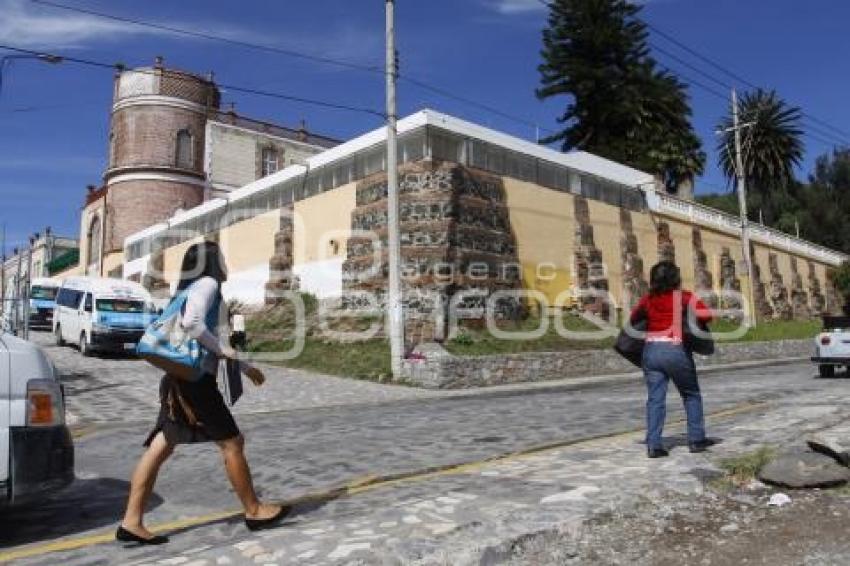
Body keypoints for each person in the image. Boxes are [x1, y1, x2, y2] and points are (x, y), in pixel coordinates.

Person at [117, 241, 287, 546]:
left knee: (161, 446)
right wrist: (228, 353)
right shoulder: (207, 283)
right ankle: (254, 510)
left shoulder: (189, 290)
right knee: (232, 442)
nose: (225, 261)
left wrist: (244, 367)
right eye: (221, 256)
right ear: (211, 262)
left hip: (177, 378)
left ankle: (131, 521)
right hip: (194, 382)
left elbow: (205, 340)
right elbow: (192, 324)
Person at [630, 261, 714, 459]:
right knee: (691, 394)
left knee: (655, 399)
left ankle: (654, 444)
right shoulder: (684, 297)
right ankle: (696, 439)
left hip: (651, 351)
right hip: (675, 348)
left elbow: (634, 318)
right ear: (676, 279)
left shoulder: (648, 299)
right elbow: (707, 315)